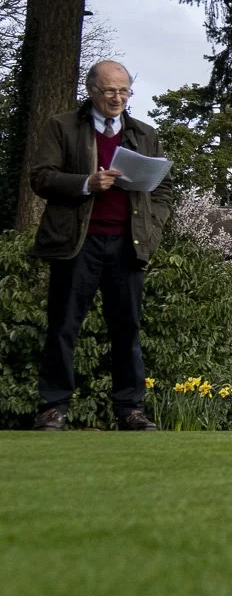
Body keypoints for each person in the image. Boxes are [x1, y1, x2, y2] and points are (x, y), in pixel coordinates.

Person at [29, 60, 175, 430]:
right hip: (76, 243)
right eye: (110, 90)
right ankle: (54, 407)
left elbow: (163, 190)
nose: (117, 98)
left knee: (127, 328)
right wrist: (86, 184)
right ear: (91, 91)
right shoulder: (61, 127)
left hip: (128, 245)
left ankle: (130, 409)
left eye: (124, 90)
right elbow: (41, 178)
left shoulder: (144, 134)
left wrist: (152, 231)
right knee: (63, 326)